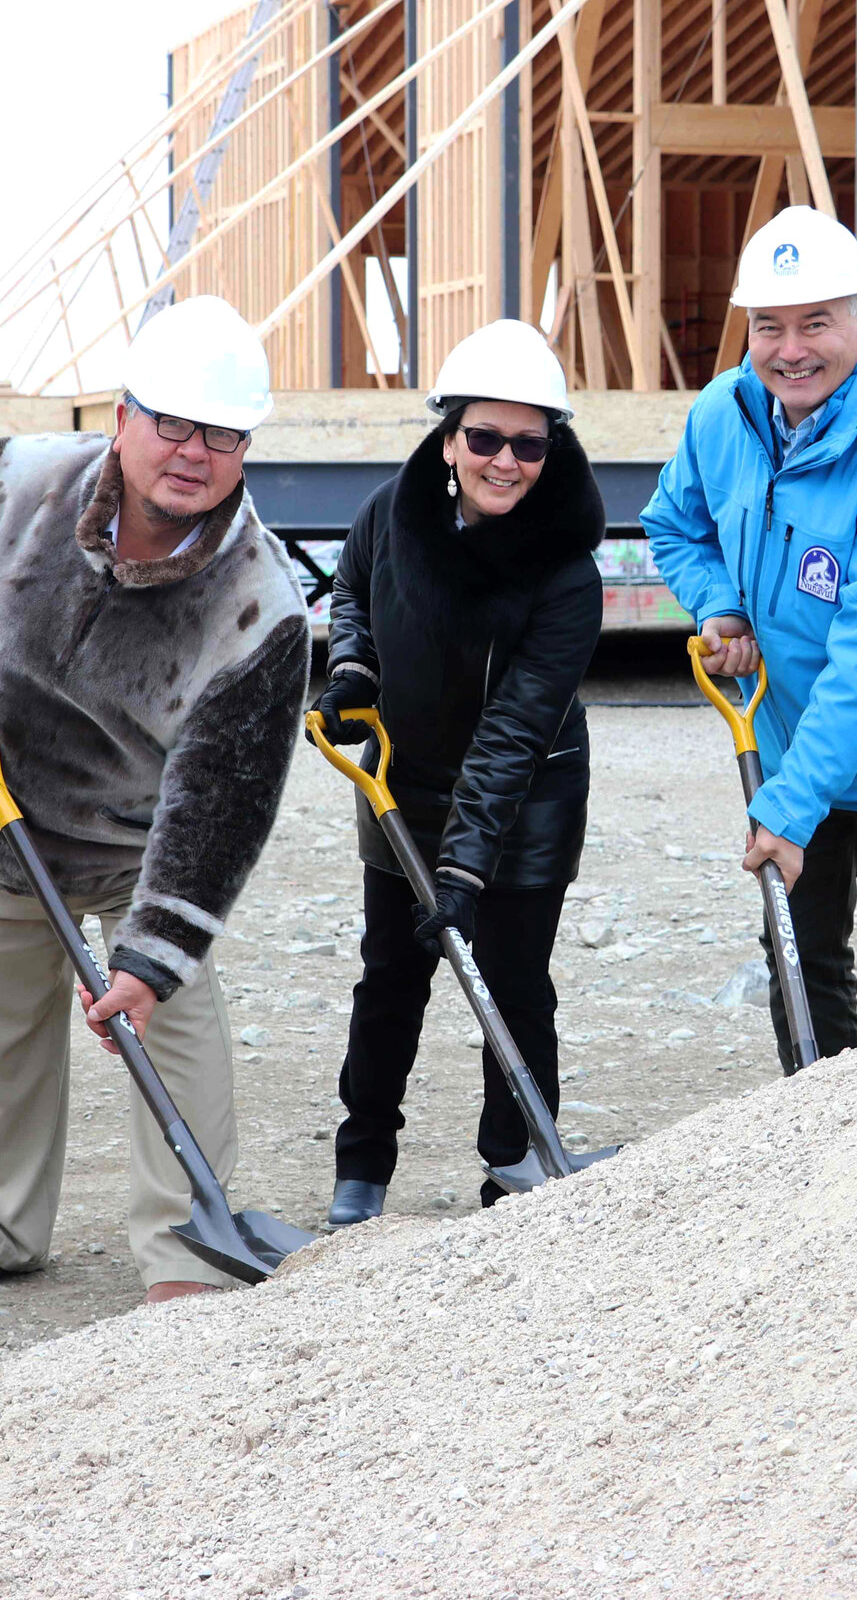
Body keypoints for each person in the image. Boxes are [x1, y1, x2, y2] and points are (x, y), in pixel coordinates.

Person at [0, 294, 309, 1305]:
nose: (193, 449)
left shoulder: (260, 611)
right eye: (172, 422)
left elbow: (221, 810)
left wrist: (146, 962)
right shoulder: (19, 482)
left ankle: (186, 1248)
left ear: (245, 447)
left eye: (223, 432)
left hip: (143, 843)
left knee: (173, 1034)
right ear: (123, 417)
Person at [642, 206, 857, 1074]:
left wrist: (787, 809)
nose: (791, 349)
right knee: (803, 975)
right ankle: (822, 1171)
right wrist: (721, 608)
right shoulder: (724, 414)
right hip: (792, 739)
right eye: (769, 326)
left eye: (816, 323)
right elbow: (675, 524)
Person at [314, 320, 605, 1224]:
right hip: (398, 777)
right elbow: (353, 587)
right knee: (391, 977)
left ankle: (515, 1164)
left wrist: (467, 866)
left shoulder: (569, 574)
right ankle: (361, 1170)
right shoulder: (390, 513)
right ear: (449, 440)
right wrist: (352, 668)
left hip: (527, 802)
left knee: (513, 981)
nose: (505, 461)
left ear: (551, 449)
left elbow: (516, 731)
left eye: (528, 443)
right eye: (484, 438)